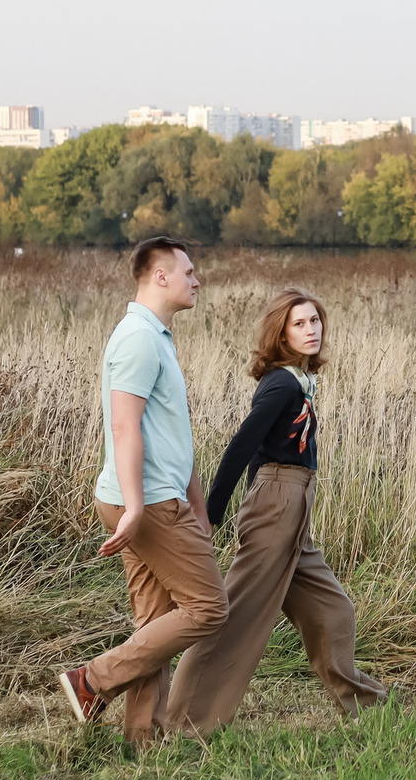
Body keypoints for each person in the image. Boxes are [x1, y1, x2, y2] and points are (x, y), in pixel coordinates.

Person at [161, 286, 386, 735]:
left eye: (315, 320)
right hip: (278, 502)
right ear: (281, 333)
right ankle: (184, 721)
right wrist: (212, 512)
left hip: (293, 504)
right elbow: (243, 444)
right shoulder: (282, 382)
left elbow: (263, 450)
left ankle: (365, 705)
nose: (311, 329)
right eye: (299, 323)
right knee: (240, 614)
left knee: (333, 610)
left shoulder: (298, 382)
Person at [57, 235, 226, 747]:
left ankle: (141, 739)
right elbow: (125, 428)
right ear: (160, 276)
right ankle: (92, 680)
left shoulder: (158, 337)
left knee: (154, 621)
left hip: (153, 497)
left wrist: (198, 506)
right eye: (189, 272)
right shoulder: (137, 339)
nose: (197, 280)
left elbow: (173, 434)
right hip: (146, 500)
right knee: (208, 607)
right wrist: (135, 507)